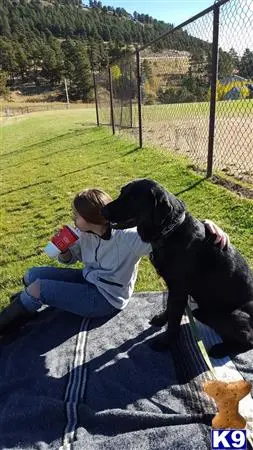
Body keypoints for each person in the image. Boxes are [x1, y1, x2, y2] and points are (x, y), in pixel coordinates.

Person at [0, 188, 229, 336]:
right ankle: (24, 305)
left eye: (77, 215)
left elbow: (172, 232)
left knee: (40, 288)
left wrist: (206, 224)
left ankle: (8, 324)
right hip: (87, 280)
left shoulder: (130, 238)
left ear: (91, 219)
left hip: (106, 298)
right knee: (31, 274)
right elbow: (69, 260)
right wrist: (64, 251)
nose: (73, 219)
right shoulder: (81, 234)